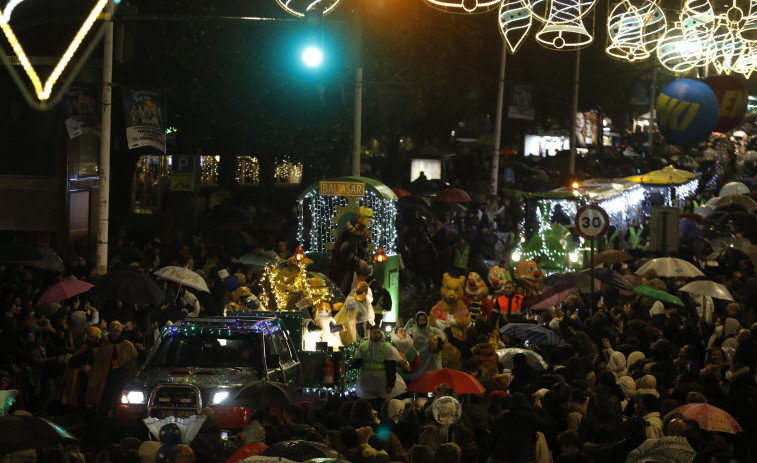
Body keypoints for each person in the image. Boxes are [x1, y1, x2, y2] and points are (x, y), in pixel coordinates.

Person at [85, 321, 138, 427]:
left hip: (121, 381)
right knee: (104, 403)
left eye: (115, 331)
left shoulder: (128, 346)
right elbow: (99, 363)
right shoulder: (105, 345)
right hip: (106, 381)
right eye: (111, 331)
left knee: (119, 403)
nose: (112, 333)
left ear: (120, 332)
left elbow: (133, 363)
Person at [351, 324, 406, 400]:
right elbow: (359, 361)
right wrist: (351, 365)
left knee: (381, 402)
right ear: (370, 333)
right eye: (374, 333)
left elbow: (391, 368)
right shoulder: (363, 345)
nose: (377, 335)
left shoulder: (386, 347)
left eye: (378, 333)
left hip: (381, 381)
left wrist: (390, 385)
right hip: (366, 381)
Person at [406, 312, 444, 379]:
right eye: (420, 320)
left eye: (424, 320)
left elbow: (441, 339)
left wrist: (436, 345)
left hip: (432, 361)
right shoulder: (412, 331)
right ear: (416, 321)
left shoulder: (433, 330)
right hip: (419, 361)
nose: (422, 322)